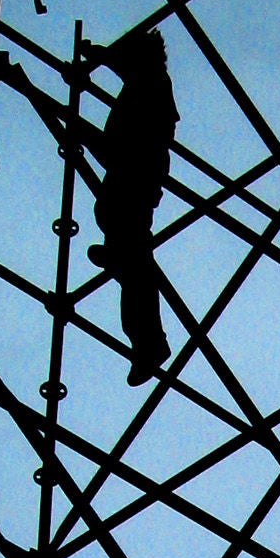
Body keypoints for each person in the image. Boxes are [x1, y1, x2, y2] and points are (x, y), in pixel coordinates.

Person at [83, 26, 176, 384]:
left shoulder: (150, 86)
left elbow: (119, 151)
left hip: (137, 171)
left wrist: (80, 131)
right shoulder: (147, 81)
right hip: (135, 173)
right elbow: (126, 67)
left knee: (134, 266)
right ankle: (116, 252)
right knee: (118, 229)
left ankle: (149, 343)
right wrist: (103, 57)